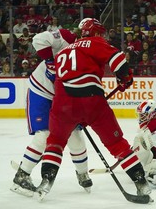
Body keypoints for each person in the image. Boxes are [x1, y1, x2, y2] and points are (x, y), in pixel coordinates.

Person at [36, 18, 152, 200]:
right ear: (96, 32)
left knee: (55, 142)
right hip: (92, 100)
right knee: (116, 144)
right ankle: (141, 183)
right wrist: (124, 78)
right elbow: (118, 59)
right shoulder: (95, 42)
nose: (103, 36)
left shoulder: (63, 51)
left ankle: (46, 180)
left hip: (63, 103)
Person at [10, 28, 93, 197]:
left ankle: (82, 172)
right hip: (41, 91)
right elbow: (39, 39)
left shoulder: (90, 55)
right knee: (44, 135)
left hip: (63, 97)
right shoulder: (65, 37)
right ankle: (22, 175)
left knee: (76, 135)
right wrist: (49, 61)